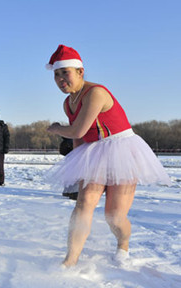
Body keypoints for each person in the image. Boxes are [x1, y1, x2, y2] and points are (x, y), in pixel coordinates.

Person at [45, 45, 171, 267]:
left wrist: (56, 128)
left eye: (66, 72)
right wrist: (77, 165)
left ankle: (123, 244)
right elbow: (79, 140)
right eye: (56, 74)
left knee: (114, 215)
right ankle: (70, 260)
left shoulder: (96, 93)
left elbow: (78, 130)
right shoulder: (68, 102)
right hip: (94, 151)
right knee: (83, 205)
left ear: (80, 72)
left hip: (122, 150)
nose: (60, 79)